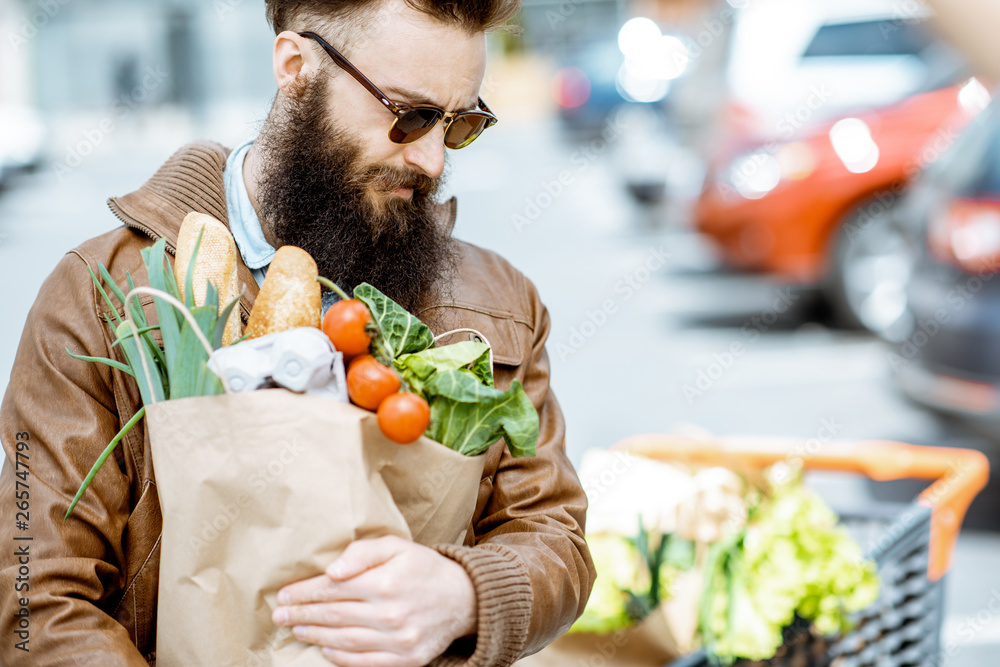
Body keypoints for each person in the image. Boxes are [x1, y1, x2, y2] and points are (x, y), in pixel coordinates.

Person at [0, 1, 595, 665]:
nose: (431, 159)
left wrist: (465, 593)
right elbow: (33, 597)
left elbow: (554, 535)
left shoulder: (499, 304)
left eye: (461, 124)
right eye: (410, 115)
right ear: (295, 68)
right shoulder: (98, 294)